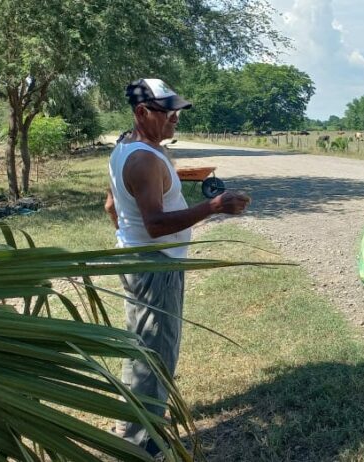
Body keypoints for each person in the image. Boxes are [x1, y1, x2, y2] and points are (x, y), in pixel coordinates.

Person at [104, 78, 250, 454]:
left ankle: (132, 424)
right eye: (168, 112)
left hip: (140, 260)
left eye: (177, 112)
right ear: (142, 112)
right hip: (156, 266)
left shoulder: (125, 147)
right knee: (156, 354)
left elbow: (111, 206)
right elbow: (154, 224)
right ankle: (143, 446)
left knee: (142, 344)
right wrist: (214, 206)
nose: (175, 118)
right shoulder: (144, 160)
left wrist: (129, 241)